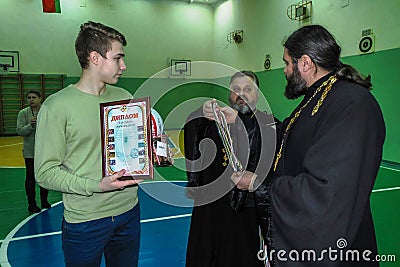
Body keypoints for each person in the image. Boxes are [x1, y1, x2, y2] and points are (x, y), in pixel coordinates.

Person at [233, 25, 386, 266]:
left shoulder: (351, 105)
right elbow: (287, 136)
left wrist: (258, 184)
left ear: (305, 63)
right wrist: (237, 119)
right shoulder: (318, 97)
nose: (284, 71)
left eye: (287, 63)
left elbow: (325, 191)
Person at [35, 21, 141, 267]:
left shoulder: (125, 98)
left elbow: (135, 150)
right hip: (85, 221)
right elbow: (45, 173)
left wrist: (156, 148)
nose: (123, 66)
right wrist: (97, 185)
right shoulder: (56, 106)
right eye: (118, 58)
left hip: (129, 211)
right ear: (95, 58)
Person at [184, 71, 277, 267]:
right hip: (209, 206)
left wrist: (239, 122)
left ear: (257, 94)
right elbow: (192, 130)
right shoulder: (215, 122)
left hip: (245, 209)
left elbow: (264, 142)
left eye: (247, 89)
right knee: (204, 256)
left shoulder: (268, 123)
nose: (240, 94)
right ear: (229, 94)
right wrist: (201, 112)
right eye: (235, 89)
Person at [16, 90, 51, 213]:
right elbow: (19, 131)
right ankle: (32, 204)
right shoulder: (23, 113)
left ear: (40, 98)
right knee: (30, 178)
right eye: (29, 97)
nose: (31, 99)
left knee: (44, 176)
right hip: (30, 152)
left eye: (34, 97)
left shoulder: (46, 112)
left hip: (45, 151)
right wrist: (30, 126)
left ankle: (44, 200)